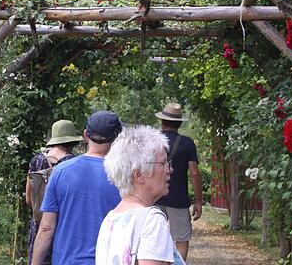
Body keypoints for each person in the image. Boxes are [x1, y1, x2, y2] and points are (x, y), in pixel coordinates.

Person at [31, 110, 124, 265]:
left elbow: (46, 228)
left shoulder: (61, 172)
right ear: (118, 139)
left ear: (86, 135)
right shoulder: (124, 177)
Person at [96, 125, 185, 265]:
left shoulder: (110, 219)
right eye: (163, 163)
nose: (170, 169)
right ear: (139, 175)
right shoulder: (152, 221)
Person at [26, 119, 82, 265]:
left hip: (38, 224)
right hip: (63, 225)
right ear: (72, 141)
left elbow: (28, 198)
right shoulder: (73, 163)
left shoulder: (35, 161)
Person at [154, 102, 203, 261]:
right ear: (180, 123)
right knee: (181, 239)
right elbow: (194, 173)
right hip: (179, 199)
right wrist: (198, 201)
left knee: (152, 238)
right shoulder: (187, 143)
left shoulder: (153, 141)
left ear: (162, 121)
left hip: (154, 196)